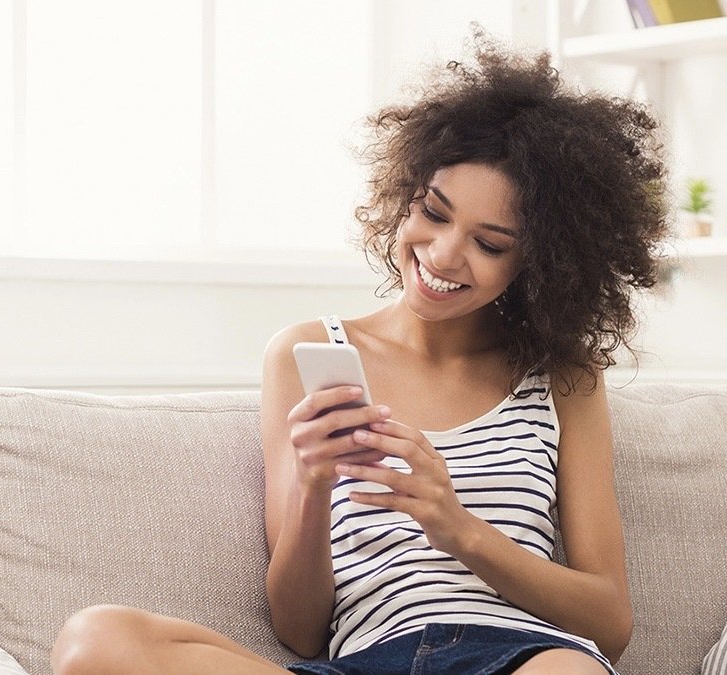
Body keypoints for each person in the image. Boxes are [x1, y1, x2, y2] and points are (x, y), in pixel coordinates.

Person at [51, 27, 668, 675]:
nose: (443, 254)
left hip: (519, 658)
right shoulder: (305, 352)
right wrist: (314, 484)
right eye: (434, 212)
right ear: (406, 197)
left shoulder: (563, 380)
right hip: (367, 661)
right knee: (97, 641)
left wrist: (457, 527)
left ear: (540, 263)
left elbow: (609, 625)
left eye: (489, 244)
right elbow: (299, 631)